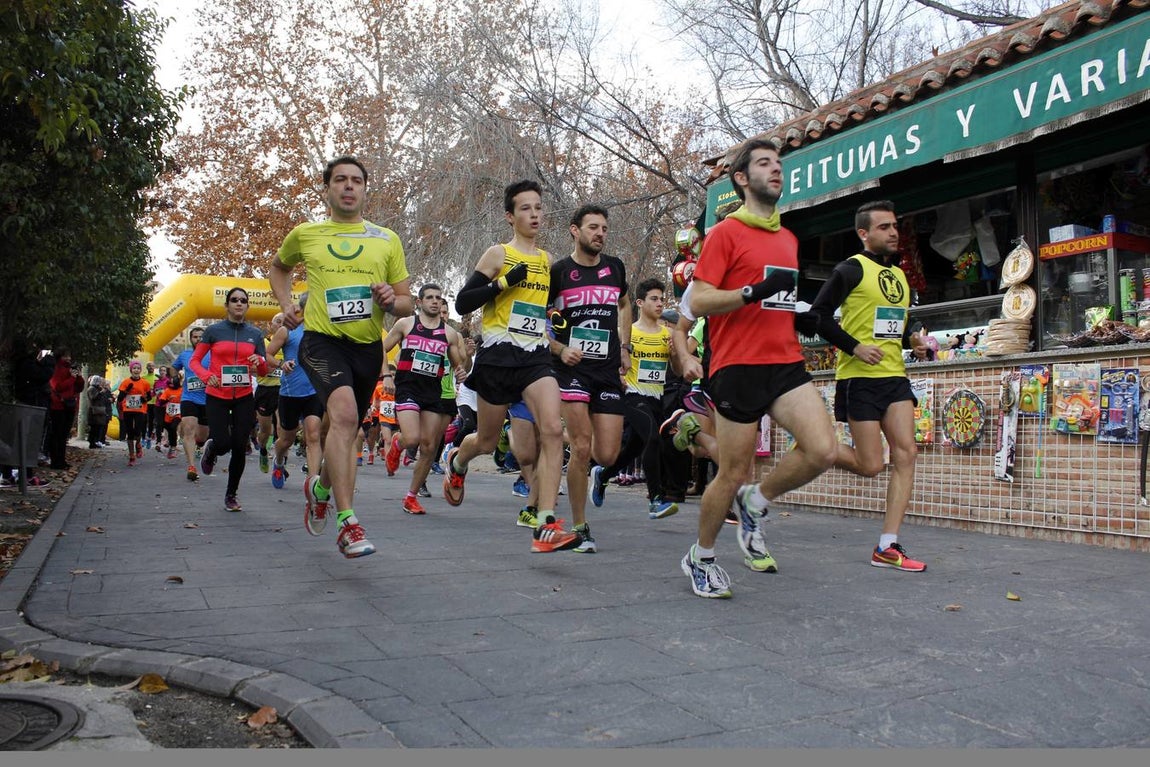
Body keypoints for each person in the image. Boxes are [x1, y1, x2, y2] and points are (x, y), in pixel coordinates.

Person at [682, 138, 834, 598]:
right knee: (731, 472)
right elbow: (700, 299)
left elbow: (779, 298)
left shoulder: (788, 238)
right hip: (737, 366)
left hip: (784, 360)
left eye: (779, 164)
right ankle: (700, 558)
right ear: (743, 179)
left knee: (823, 449)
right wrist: (749, 293)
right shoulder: (725, 233)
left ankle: (758, 500)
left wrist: (801, 311)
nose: (777, 170)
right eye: (765, 164)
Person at [270, 155, 413, 559]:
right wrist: (287, 304)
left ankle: (320, 489)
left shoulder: (387, 239)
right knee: (347, 417)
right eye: (340, 180)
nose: (349, 186)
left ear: (366, 189)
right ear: (327, 189)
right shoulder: (307, 233)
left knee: (343, 429)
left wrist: (391, 299)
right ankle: (347, 522)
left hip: (366, 347)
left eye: (356, 181)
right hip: (321, 340)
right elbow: (278, 269)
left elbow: (405, 303)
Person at [447, 179, 578, 553]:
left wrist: (557, 316)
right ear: (510, 215)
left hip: (535, 355)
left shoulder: (548, 261)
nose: (534, 214)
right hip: (498, 355)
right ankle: (458, 461)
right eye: (526, 208)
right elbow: (463, 303)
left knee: (552, 429)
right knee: (487, 441)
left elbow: (546, 306)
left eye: (538, 207)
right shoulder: (498, 253)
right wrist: (503, 282)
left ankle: (546, 522)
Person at [810, 200, 930, 572]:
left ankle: (887, 545)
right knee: (870, 465)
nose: (893, 232)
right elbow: (817, 317)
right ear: (864, 233)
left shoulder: (900, 276)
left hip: (894, 377)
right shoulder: (850, 269)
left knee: (906, 452)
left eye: (895, 226)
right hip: (858, 378)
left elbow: (896, 320)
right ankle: (818, 447)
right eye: (884, 227)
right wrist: (855, 347)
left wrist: (913, 338)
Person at [547, 204, 630, 553]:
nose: (599, 233)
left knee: (607, 455)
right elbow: (537, 321)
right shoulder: (559, 273)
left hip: (608, 370)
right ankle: (581, 526)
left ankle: (593, 472)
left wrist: (625, 346)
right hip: (572, 371)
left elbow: (625, 304)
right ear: (574, 230)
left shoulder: (615, 268)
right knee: (581, 447)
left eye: (604, 229)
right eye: (593, 227)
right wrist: (559, 349)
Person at [590, 277, 681, 520]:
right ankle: (656, 499)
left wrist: (675, 355)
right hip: (632, 395)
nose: (660, 303)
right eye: (654, 299)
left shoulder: (667, 334)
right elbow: (609, 361)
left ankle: (603, 475)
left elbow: (679, 371)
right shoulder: (627, 333)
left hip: (656, 398)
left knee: (632, 450)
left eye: (662, 299)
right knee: (653, 440)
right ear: (640, 302)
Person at [381, 284, 467, 515]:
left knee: (429, 447)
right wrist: (387, 375)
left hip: (432, 392)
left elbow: (460, 364)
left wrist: (461, 369)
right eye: (429, 297)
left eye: (439, 298)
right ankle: (398, 444)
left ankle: (410, 497)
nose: (435, 301)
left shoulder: (449, 333)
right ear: (419, 302)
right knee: (412, 438)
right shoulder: (406, 324)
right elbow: (381, 348)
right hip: (408, 388)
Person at [190, 286, 269, 513]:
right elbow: (195, 361)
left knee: (239, 445)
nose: (239, 303)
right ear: (227, 305)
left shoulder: (255, 334)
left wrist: (259, 361)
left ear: (247, 305)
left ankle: (231, 494)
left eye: (243, 300)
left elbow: (263, 371)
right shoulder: (214, 331)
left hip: (243, 396)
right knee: (223, 443)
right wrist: (207, 376)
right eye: (234, 300)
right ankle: (213, 448)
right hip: (217, 395)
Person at [265, 292, 325, 498]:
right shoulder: (287, 331)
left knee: (313, 435)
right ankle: (279, 460)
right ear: (303, 307)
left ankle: (313, 482)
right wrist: (283, 364)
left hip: (315, 391)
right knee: (286, 439)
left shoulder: (326, 330)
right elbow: (267, 354)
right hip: (290, 393)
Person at [171, 327, 210, 482]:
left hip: (208, 399)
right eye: (195, 337)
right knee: (189, 430)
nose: (198, 339)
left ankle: (200, 446)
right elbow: (174, 367)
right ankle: (192, 467)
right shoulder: (185, 355)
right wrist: (174, 377)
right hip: (189, 398)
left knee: (203, 435)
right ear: (191, 339)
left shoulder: (212, 354)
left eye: (201, 337)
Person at [255, 313, 285, 473]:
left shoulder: (290, 344)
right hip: (265, 391)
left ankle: (280, 462)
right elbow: (252, 368)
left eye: (284, 322)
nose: (281, 325)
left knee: (282, 427)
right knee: (265, 431)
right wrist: (265, 368)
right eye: (278, 322)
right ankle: (263, 450)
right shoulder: (263, 345)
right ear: (270, 326)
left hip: (283, 390)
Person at [47, 350, 84, 469]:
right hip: (58, 405)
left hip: (70, 404)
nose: (68, 358)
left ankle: (62, 460)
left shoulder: (70, 369)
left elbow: (79, 387)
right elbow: (57, 386)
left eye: (69, 356)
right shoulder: (56, 369)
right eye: (65, 356)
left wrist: (78, 377)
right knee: (57, 434)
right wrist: (72, 379)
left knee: (64, 435)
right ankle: (55, 461)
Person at [116, 360, 152, 467]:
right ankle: (131, 455)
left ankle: (139, 445)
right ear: (131, 370)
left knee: (137, 430)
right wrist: (126, 391)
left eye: (138, 368)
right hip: (127, 410)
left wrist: (144, 399)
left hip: (140, 410)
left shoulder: (145, 383)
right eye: (134, 368)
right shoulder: (126, 382)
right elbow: (120, 398)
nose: (136, 370)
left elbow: (149, 396)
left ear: (140, 370)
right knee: (130, 433)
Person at [156, 372, 183, 460]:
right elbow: (160, 402)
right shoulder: (167, 390)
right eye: (170, 383)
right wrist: (168, 399)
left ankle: (173, 448)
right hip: (168, 414)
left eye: (173, 383)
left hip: (178, 413)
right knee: (170, 429)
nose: (171, 385)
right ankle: (172, 446)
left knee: (173, 427)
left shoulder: (182, 390)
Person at [86, 376, 112, 449]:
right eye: (99, 381)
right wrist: (101, 393)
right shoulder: (92, 389)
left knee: (98, 427)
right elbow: (93, 397)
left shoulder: (97, 388)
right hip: (94, 410)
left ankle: (95, 441)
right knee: (94, 428)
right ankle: (92, 442)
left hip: (99, 410)